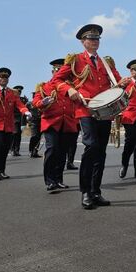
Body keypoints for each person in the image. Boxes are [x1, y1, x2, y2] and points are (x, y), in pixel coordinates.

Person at [51, 24, 131, 209]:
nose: (95, 41)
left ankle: (96, 191)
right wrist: (70, 89)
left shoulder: (106, 63)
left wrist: (123, 84)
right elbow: (56, 81)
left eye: (97, 39)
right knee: (91, 147)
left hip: (104, 112)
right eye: (91, 38)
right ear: (83, 41)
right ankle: (85, 191)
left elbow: (116, 84)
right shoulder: (75, 60)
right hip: (85, 110)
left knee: (100, 152)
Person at [34, 58, 79, 191]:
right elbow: (36, 102)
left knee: (62, 152)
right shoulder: (44, 87)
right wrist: (43, 102)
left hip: (67, 123)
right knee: (52, 149)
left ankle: (58, 179)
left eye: (63, 70)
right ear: (53, 71)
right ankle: (49, 180)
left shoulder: (71, 86)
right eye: (58, 70)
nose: (60, 72)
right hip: (51, 123)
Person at [10, 85, 24, 156]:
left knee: (18, 135)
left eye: (20, 92)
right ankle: (13, 149)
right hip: (13, 119)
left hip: (19, 120)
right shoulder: (11, 99)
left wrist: (24, 123)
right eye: (18, 91)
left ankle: (16, 150)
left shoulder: (22, 100)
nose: (19, 93)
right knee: (14, 134)